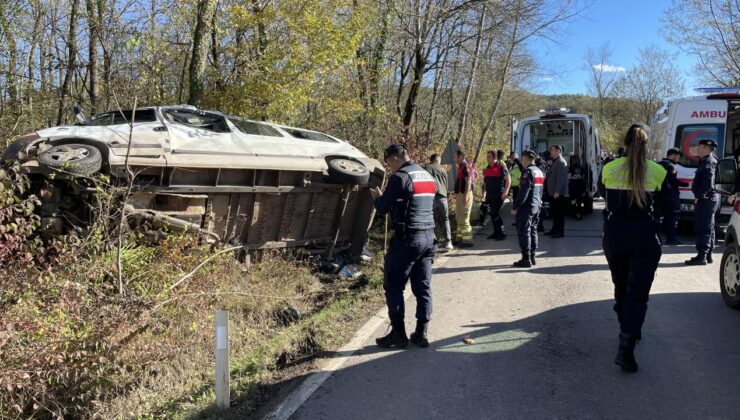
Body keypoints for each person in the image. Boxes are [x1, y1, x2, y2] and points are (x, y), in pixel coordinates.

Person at [598, 124, 667, 372]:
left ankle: (626, 329)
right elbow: (668, 205)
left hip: (615, 236)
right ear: (647, 145)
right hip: (645, 237)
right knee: (637, 295)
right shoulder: (658, 171)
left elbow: (601, 193)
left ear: (625, 143)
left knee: (620, 286)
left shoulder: (609, 168)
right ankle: (627, 345)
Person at [371, 144, 437, 349]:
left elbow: (382, 207)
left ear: (394, 159)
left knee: (393, 286)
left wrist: (377, 196)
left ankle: (398, 335)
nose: (389, 167)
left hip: (408, 240)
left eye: (389, 163)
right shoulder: (427, 176)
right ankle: (421, 333)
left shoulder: (400, 178)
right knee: (423, 287)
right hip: (429, 238)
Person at [686, 139, 720, 265]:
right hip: (709, 198)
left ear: (706, 149)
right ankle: (708, 254)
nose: (697, 149)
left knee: (703, 227)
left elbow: (708, 182)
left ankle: (701, 256)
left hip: (706, 199)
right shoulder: (707, 161)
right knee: (709, 227)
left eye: (700, 147)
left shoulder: (708, 162)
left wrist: (699, 196)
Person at [511, 150, 544, 268]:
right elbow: (540, 191)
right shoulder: (539, 171)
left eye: (522, 158)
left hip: (527, 206)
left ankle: (526, 259)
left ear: (525, 159)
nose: (522, 160)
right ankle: (532, 257)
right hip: (536, 205)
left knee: (524, 231)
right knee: (533, 230)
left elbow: (523, 192)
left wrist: (516, 206)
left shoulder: (528, 172)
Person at [658, 148, 688, 245]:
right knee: (672, 218)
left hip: (659, 195)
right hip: (670, 196)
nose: (678, 160)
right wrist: (686, 185)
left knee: (659, 218)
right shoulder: (671, 166)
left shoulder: (659, 164)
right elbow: (673, 181)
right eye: (678, 157)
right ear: (673, 155)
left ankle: (657, 237)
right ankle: (671, 238)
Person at [425, 154, 454, 251]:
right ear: (438, 160)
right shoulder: (443, 170)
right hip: (443, 198)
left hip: (431, 198)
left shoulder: (426, 168)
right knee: (445, 219)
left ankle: (432, 243)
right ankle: (448, 242)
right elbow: (446, 186)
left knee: (431, 221)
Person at [482, 150, 511, 240]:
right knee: (491, 213)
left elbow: (508, 179)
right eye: (487, 157)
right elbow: (485, 183)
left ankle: (502, 234)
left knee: (495, 213)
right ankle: (496, 232)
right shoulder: (487, 168)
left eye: (489, 157)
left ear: (495, 158)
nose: (487, 158)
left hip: (498, 194)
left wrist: (505, 192)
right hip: (489, 194)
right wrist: (484, 193)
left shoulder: (500, 167)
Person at [453, 149, 475, 248]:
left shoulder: (466, 167)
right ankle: (459, 238)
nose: (454, 158)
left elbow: (469, 182)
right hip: (461, 195)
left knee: (464, 217)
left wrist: (465, 195)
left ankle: (468, 241)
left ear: (461, 157)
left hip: (464, 195)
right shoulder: (461, 167)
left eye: (455, 156)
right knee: (459, 217)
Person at [545, 145, 568, 238]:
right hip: (553, 192)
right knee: (555, 213)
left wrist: (557, 191)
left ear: (558, 151)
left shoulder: (561, 162)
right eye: (551, 150)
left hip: (557, 193)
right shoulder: (556, 161)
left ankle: (560, 232)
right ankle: (554, 229)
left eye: (552, 150)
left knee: (559, 213)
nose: (551, 152)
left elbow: (561, 179)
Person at [568, 155, 587, 220]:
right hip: (580, 186)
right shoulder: (581, 167)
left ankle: (573, 214)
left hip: (573, 186)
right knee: (579, 201)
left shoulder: (570, 168)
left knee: (573, 200)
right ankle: (579, 214)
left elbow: (569, 177)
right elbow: (584, 177)